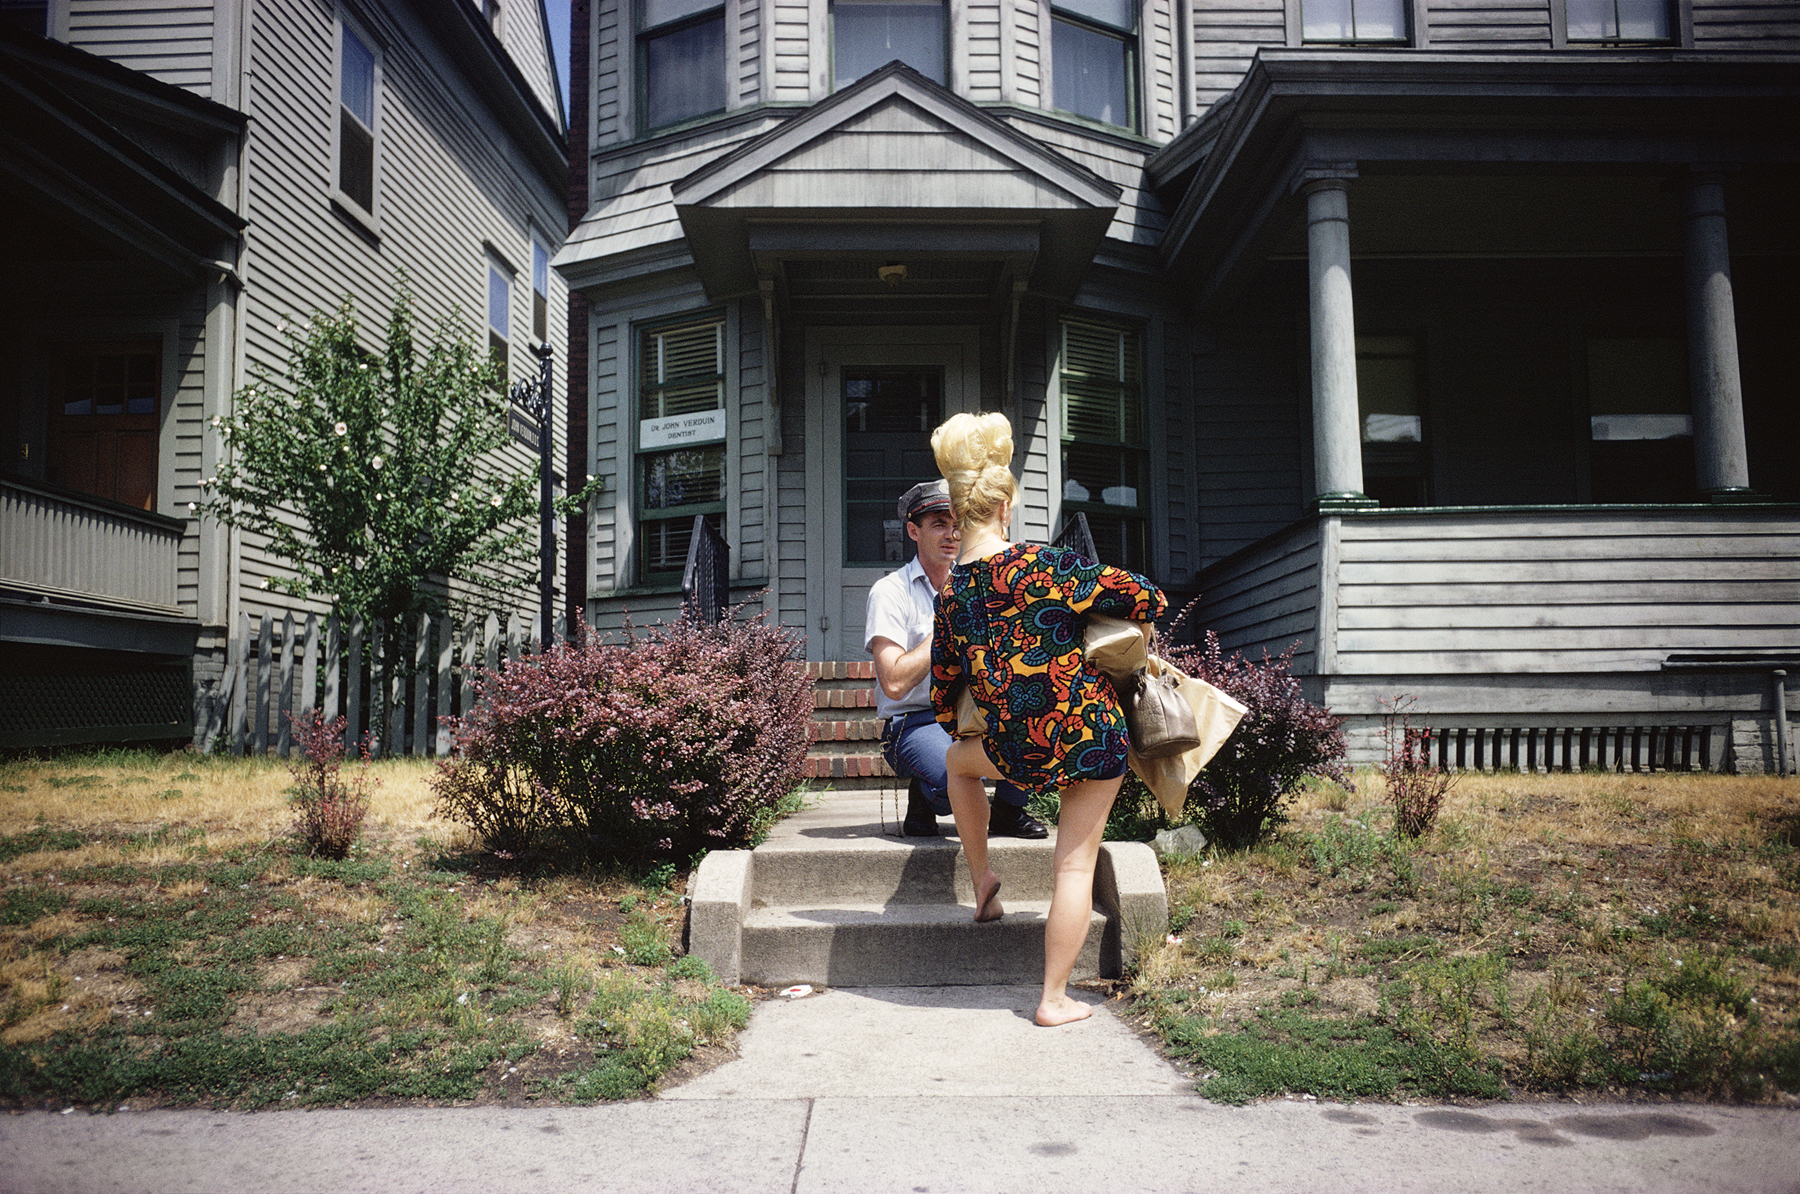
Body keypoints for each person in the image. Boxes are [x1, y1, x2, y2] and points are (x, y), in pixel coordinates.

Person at [927, 413, 1166, 1027]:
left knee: (956, 763)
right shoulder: (1045, 565)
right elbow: (1148, 596)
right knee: (1073, 866)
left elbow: (944, 692)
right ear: (1004, 506)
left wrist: (984, 725)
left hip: (1016, 748)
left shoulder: (950, 597)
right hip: (1091, 737)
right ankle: (1052, 999)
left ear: (956, 513)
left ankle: (983, 880)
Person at [865, 480, 1046, 840]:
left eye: (958, 524)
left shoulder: (981, 585)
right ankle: (925, 794)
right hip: (915, 722)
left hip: (974, 713)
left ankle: (1008, 811)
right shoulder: (890, 592)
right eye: (939, 524)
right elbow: (895, 683)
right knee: (956, 783)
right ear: (913, 531)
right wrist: (948, 619)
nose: (952, 535)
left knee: (1036, 724)